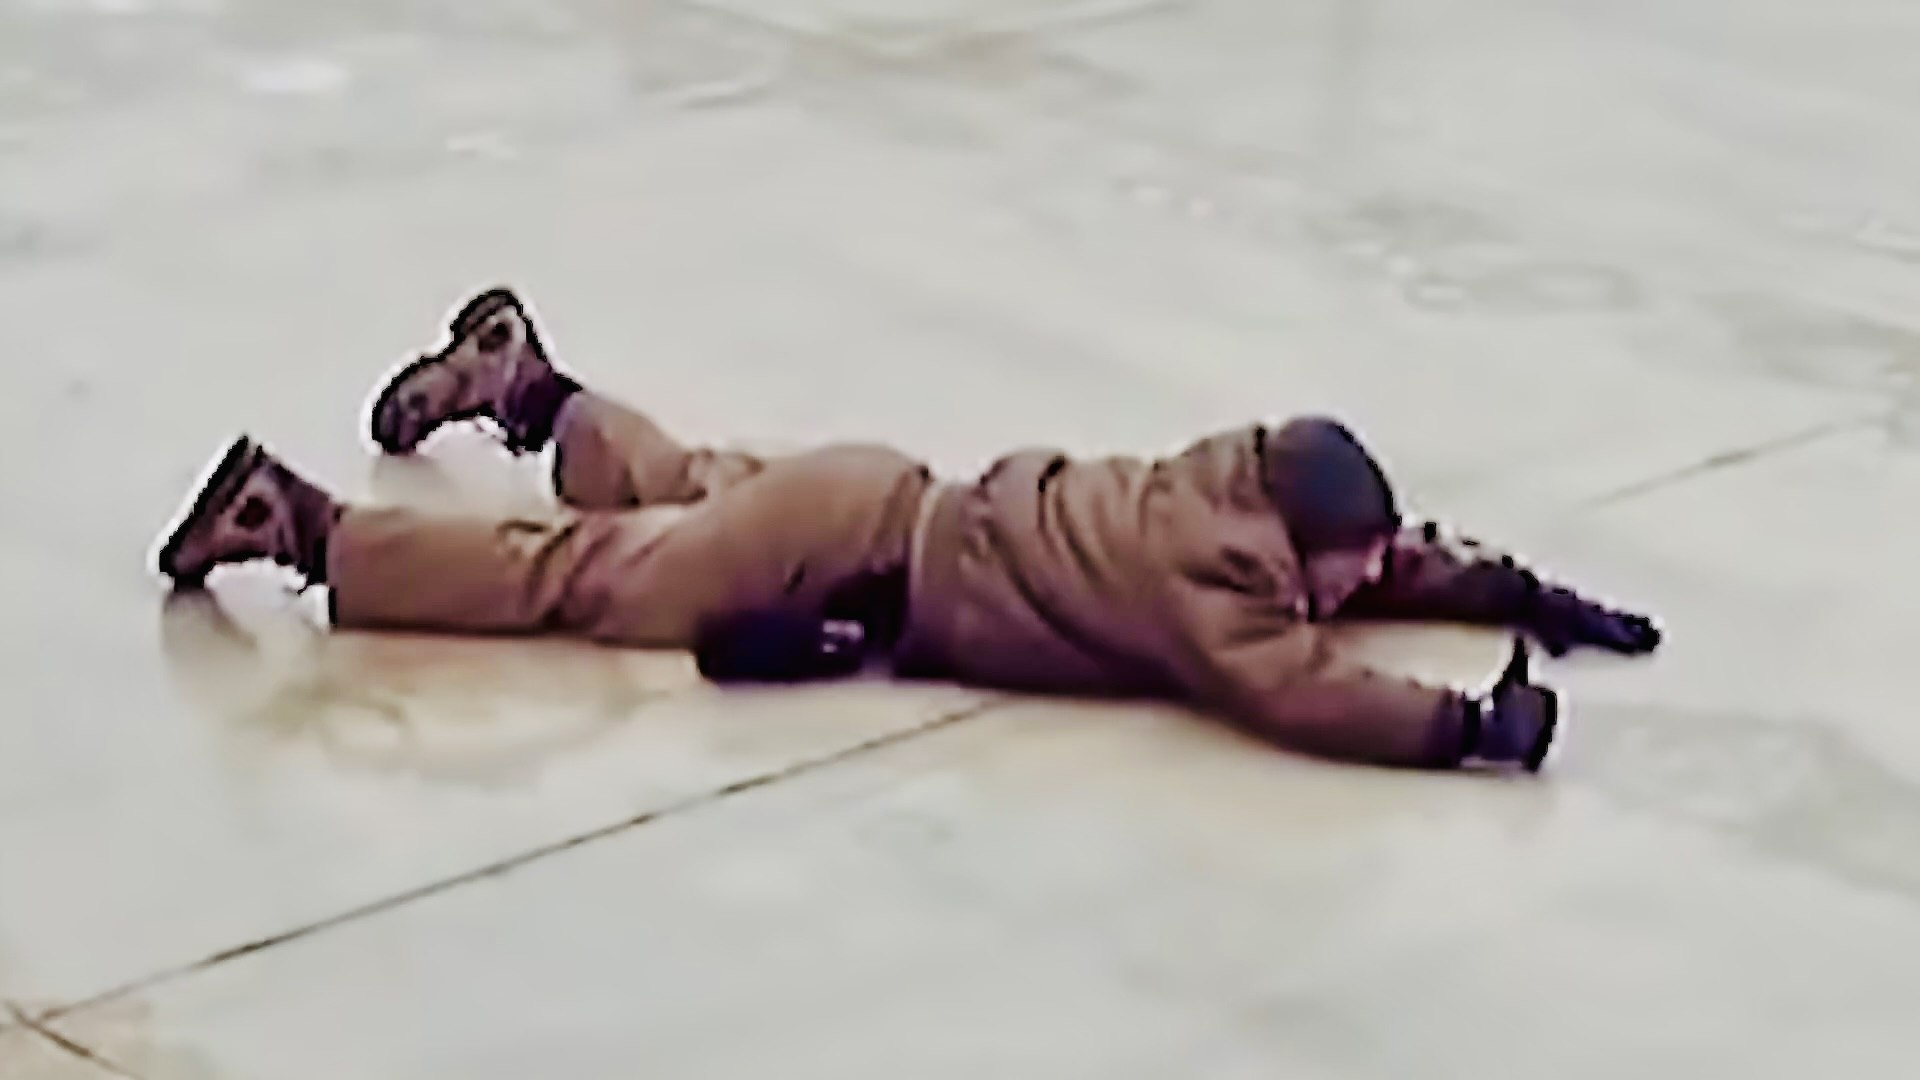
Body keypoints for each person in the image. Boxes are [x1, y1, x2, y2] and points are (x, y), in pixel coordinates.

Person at [153, 288, 1661, 773]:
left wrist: (1519, 592)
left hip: (880, 500)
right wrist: (1468, 729)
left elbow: (1376, 555)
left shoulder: (1230, 489)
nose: (1372, 582)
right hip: (853, 560)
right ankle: (305, 528)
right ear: (1294, 545)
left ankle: (530, 392)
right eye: (1358, 569)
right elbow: (1294, 686)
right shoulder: (1219, 586)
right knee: (594, 580)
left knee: (686, 481)